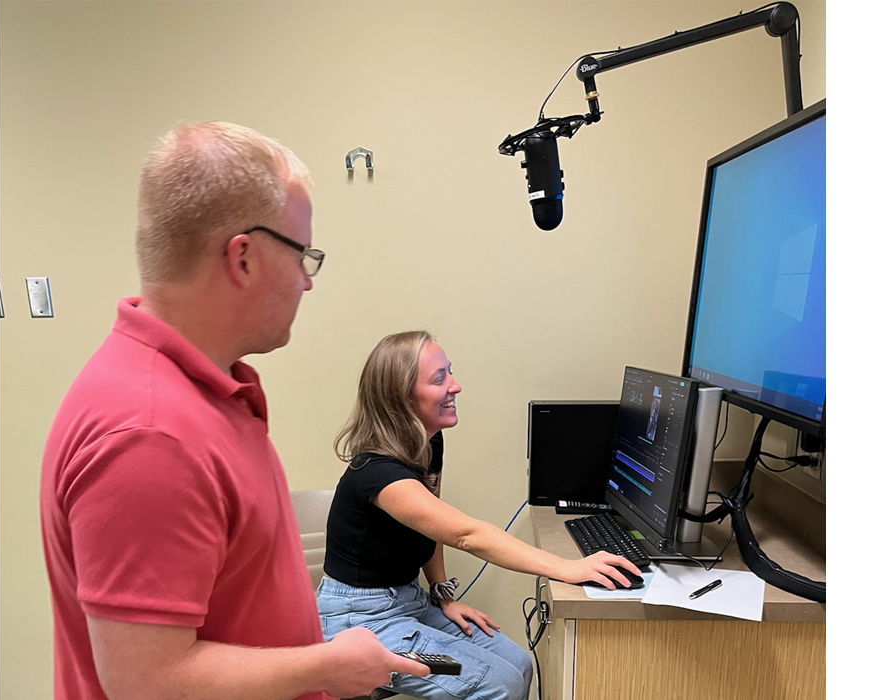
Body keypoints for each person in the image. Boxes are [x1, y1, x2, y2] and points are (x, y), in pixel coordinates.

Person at [39, 122, 427, 700]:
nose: (307, 282)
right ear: (242, 257)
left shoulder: (203, 394)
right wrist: (326, 666)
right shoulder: (150, 434)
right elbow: (147, 682)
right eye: (304, 256)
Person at [317, 331, 643, 700]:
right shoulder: (379, 476)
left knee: (518, 664)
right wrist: (566, 567)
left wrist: (443, 594)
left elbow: (433, 530)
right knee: (493, 682)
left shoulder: (427, 443)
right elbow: (466, 535)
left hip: (411, 604)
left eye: (449, 373)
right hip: (364, 625)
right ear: (403, 398)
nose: (455, 386)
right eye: (439, 379)